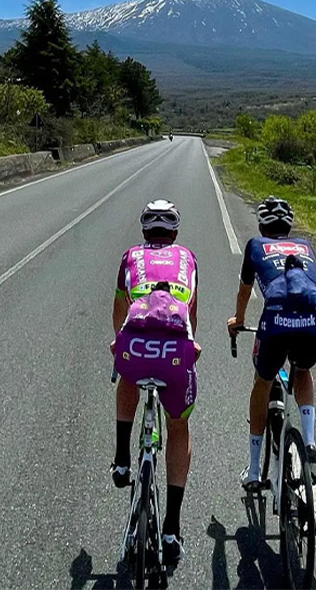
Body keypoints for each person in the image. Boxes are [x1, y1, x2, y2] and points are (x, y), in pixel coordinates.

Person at [111, 199, 199, 565]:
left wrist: (119, 345)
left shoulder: (130, 256)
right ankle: (172, 528)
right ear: (175, 233)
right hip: (176, 354)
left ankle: (121, 459)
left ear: (144, 231)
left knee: (128, 377)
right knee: (178, 426)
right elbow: (192, 316)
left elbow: (120, 311)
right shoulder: (188, 258)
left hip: (136, 349)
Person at [227, 196, 316, 491]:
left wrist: (238, 320)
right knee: (303, 370)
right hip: (313, 325)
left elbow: (244, 292)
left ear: (261, 226)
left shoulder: (255, 245)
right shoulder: (305, 246)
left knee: (262, 382)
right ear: (289, 226)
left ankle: (254, 470)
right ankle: (309, 441)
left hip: (275, 325)